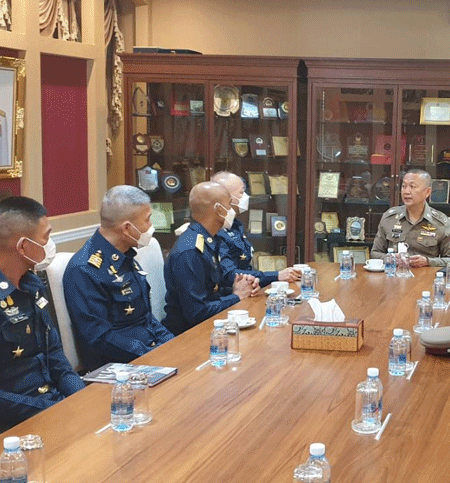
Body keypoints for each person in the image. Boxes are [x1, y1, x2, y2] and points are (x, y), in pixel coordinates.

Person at [62, 186, 174, 370]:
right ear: (127, 228)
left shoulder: (125, 254)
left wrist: (172, 344)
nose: (151, 225)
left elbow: (146, 319)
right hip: (119, 368)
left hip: (148, 354)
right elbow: (100, 338)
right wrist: (153, 354)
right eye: (147, 219)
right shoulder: (85, 270)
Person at [0, 196, 84, 431]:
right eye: (45, 237)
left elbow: (54, 356)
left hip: (52, 405)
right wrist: (53, 410)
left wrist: (82, 398)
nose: (49, 244)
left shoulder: (33, 285)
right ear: (23, 246)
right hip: (15, 424)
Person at [162, 182, 261, 335]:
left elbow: (212, 291)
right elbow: (197, 313)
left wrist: (240, 287)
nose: (232, 210)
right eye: (229, 205)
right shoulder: (190, 251)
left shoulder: (209, 240)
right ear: (219, 209)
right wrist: (237, 296)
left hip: (211, 326)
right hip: (188, 335)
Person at [210, 171, 300, 288]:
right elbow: (230, 275)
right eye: (241, 192)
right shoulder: (216, 229)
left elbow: (245, 266)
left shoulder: (235, 225)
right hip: (232, 294)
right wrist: (276, 275)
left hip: (247, 289)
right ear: (226, 197)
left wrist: (258, 281)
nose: (246, 197)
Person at [371, 169, 450, 268]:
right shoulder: (389, 218)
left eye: (412, 187)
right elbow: (375, 253)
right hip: (395, 275)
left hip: (425, 276)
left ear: (427, 192)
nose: (406, 192)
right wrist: (391, 258)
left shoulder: (440, 223)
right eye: (404, 186)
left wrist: (428, 261)